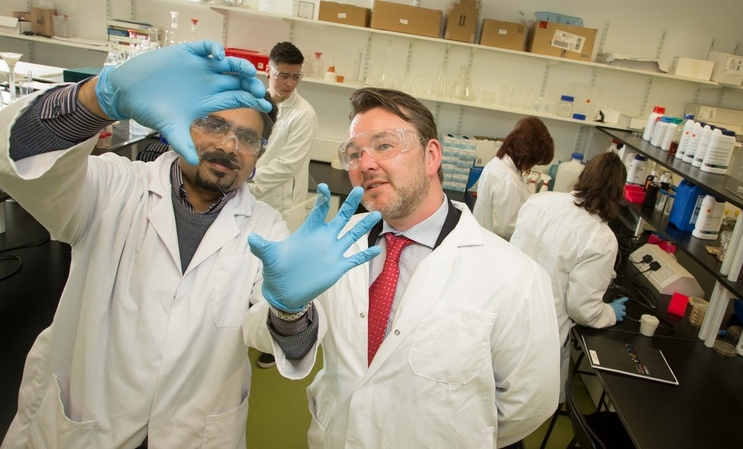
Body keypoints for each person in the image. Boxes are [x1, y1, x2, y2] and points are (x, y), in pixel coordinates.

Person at [0, 41, 379, 449]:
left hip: (194, 433)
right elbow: (22, 164)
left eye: (248, 138)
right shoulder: (115, 187)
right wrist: (99, 97)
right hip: (84, 424)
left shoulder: (266, 229)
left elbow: (282, 344)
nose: (230, 146)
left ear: (259, 155)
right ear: (179, 123)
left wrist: (291, 311)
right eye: (214, 125)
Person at [253, 87, 560, 448]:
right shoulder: (334, 248)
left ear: (431, 157)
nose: (365, 164)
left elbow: (528, 404)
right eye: (354, 154)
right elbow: (291, 346)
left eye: (384, 145)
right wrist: (289, 312)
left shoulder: (516, 277)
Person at [510, 151, 629, 402]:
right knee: (520, 404)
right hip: (541, 331)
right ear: (618, 193)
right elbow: (582, 308)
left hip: (508, 310)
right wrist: (608, 312)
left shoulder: (540, 201)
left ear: (583, 177)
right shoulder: (601, 238)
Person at [248, 42, 319, 370]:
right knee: (244, 266)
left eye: (295, 77)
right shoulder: (253, 101)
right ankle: (241, 327)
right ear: (269, 70)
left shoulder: (304, 114)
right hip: (248, 195)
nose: (289, 83)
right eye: (282, 75)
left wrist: (248, 181)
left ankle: (272, 343)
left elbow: (287, 165)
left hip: (281, 203)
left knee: (276, 272)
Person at [473, 116, 554, 240]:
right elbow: (506, 229)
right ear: (528, 154)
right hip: (493, 245)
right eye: (535, 161)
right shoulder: (507, 178)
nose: (532, 166)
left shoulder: (499, 163)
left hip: (485, 239)